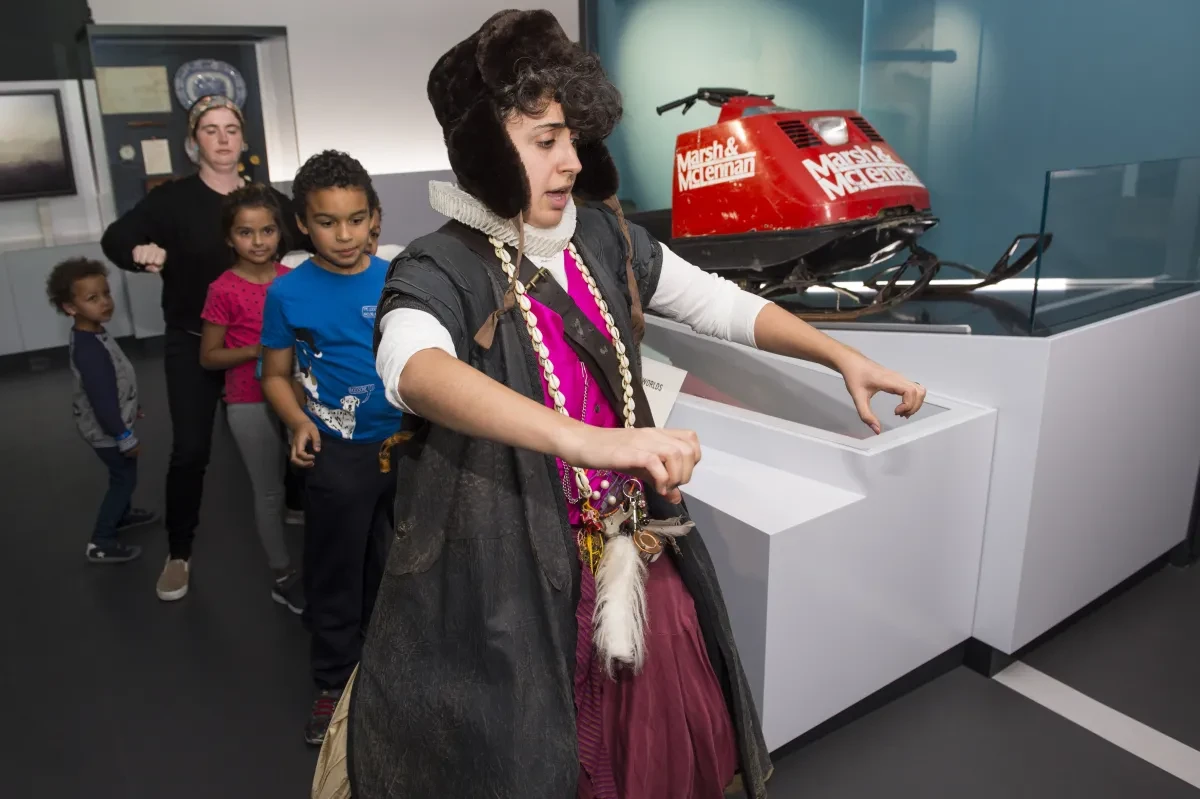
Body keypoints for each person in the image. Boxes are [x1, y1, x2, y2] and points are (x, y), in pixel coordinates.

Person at [333, 10, 929, 799]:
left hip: (632, 547)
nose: (571, 161)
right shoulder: (439, 262)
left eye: (573, 137)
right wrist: (588, 439)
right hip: (507, 572)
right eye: (545, 140)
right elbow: (410, 367)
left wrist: (838, 353)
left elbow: (714, 301)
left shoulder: (605, 238)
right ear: (486, 151)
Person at [100, 95, 306, 601]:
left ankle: (295, 508)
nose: (221, 138)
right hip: (194, 341)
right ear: (194, 143)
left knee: (293, 425)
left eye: (230, 128)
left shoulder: (266, 200)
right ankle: (179, 553)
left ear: (243, 138)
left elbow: (308, 232)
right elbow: (115, 238)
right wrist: (137, 251)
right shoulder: (171, 200)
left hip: (260, 347)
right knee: (191, 450)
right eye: (210, 130)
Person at [259, 150, 405, 746]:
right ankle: (334, 682)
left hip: (409, 448)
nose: (342, 235)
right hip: (339, 456)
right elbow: (273, 375)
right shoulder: (288, 294)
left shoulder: (401, 278)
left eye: (354, 219)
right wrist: (296, 420)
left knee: (396, 565)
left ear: (375, 217)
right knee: (335, 571)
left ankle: (393, 668)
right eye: (326, 221)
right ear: (302, 223)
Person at [199, 184, 304, 613]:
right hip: (246, 399)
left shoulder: (290, 280)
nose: (258, 241)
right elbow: (209, 356)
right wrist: (261, 348)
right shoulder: (222, 289)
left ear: (280, 233)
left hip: (296, 392)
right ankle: (282, 573)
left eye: (267, 230)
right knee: (267, 492)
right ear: (229, 238)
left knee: (305, 476)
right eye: (246, 232)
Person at [47, 258, 158, 564]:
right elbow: (101, 400)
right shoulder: (89, 349)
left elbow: (116, 383)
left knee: (121, 477)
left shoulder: (93, 334)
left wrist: (133, 406)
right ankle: (101, 540)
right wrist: (124, 435)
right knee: (123, 480)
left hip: (109, 423)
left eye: (106, 294)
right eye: (92, 299)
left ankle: (121, 515)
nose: (105, 303)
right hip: (107, 431)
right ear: (70, 307)